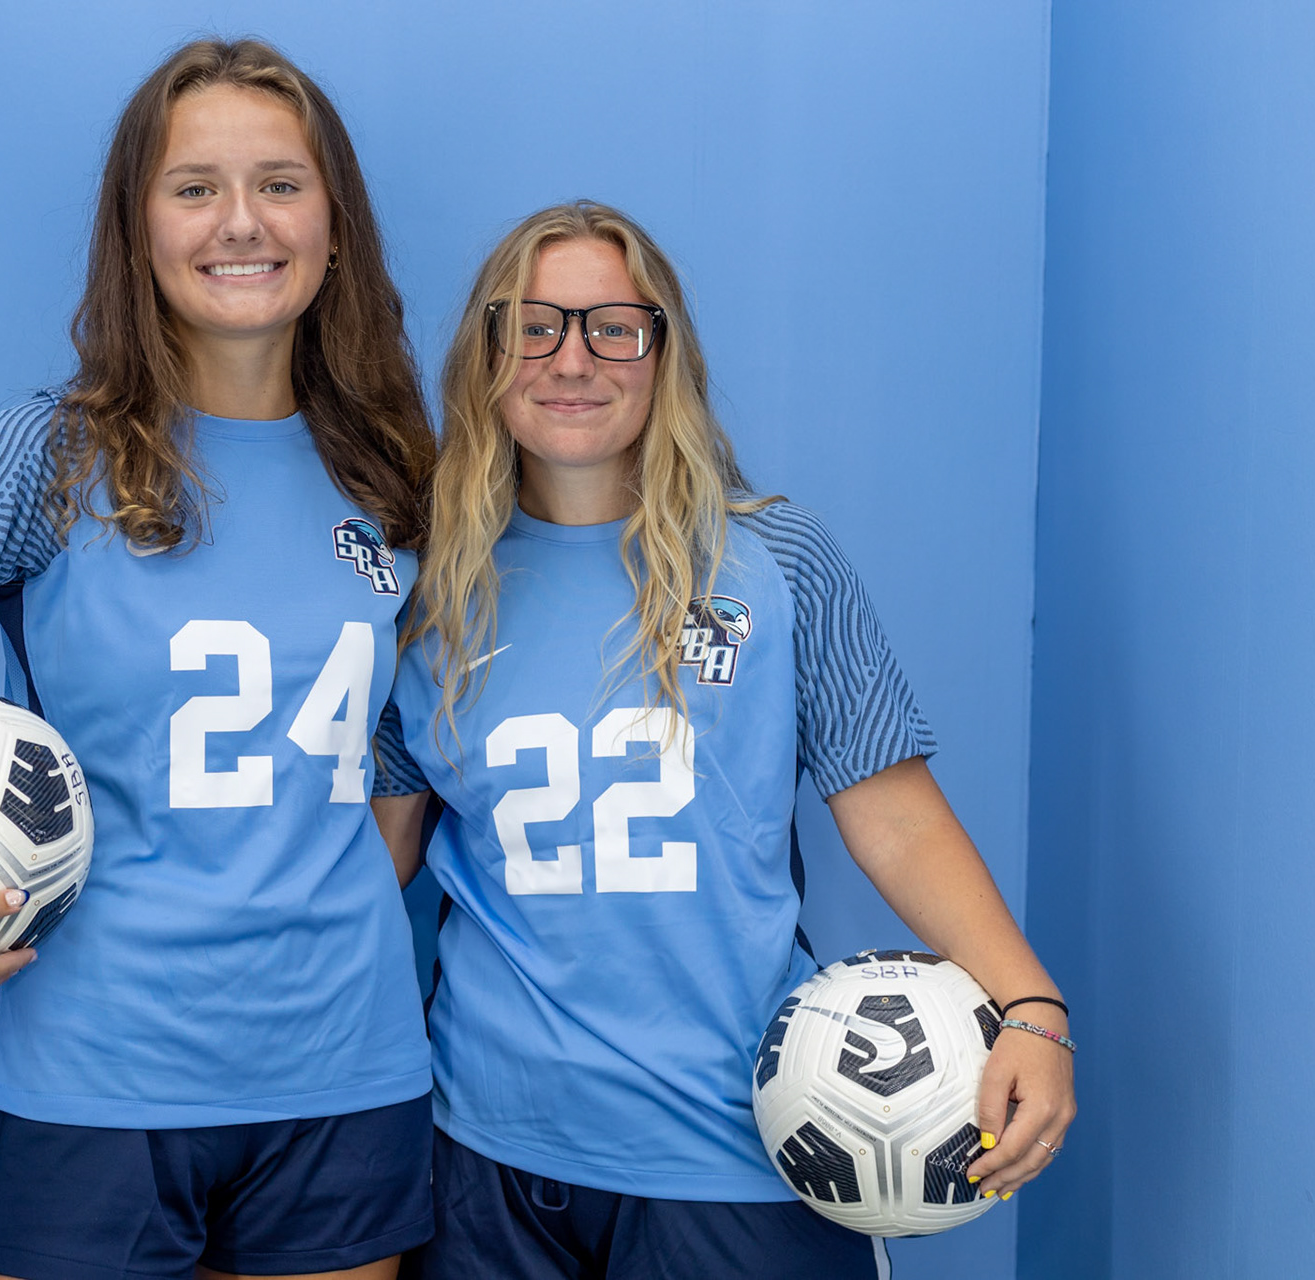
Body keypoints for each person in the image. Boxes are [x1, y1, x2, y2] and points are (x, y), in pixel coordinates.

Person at [0, 39, 438, 1280]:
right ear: (137, 227)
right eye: (194, 187)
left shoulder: (398, 471)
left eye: (280, 183)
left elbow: (401, 747)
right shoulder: (45, 456)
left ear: (335, 222)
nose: (242, 221)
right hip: (93, 1075)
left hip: (346, 1080)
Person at [370, 202, 1075, 1280]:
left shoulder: (775, 559)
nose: (572, 359)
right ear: (485, 355)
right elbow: (377, 858)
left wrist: (1032, 1007)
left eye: (613, 328)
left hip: (739, 1154)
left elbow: (892, 816)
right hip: (486, 1161)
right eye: (534, 326)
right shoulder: (429, 592)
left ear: (665, 354)